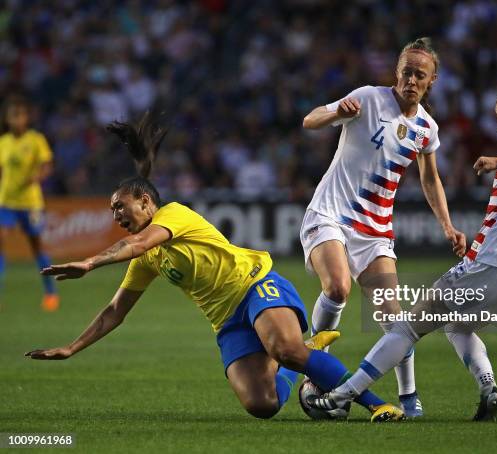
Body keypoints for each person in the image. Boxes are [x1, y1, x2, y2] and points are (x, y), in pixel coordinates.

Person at [24, 114, 404, 422]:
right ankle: (307, 350)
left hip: (254, 285)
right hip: (226, 320)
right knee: (263, 405)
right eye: (111, 211)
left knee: (284, 349)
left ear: (145, 201)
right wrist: (72, 348)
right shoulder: (146, 260)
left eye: (120, 206)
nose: (116, 215)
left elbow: (136, 242)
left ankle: (374, 403)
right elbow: (114, 312)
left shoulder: (174, 214)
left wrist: (90, 262)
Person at [306, 82, 497, 421]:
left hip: (492, 266)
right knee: (457, 327)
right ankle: (489, 388)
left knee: (408, 326)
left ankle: (342, 394)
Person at [301, 37, 466, 417]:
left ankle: (409, 398)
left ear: (432, 80)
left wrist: (448, 226)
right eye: (406, 71)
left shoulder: (426, 128)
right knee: (338, 287)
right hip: (330, 214)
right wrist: (335, 112)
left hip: (375, 231)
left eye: (419, 74)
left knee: (396, 321)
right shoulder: (369, 98)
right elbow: (310, 120)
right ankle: (317, 367)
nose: (410, 79)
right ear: (397, 71)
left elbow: (430, 180)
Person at [0, 95, 59, 311]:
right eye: (12, 116)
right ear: (7, 120)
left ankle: (50, 293)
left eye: (19, 115)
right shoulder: (3, 143)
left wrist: (38, 177)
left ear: (26, 118)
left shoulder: (35, 140)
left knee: (37, 246)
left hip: (30, 203)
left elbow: (47, 165)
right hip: (6, 201)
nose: (16, 120)